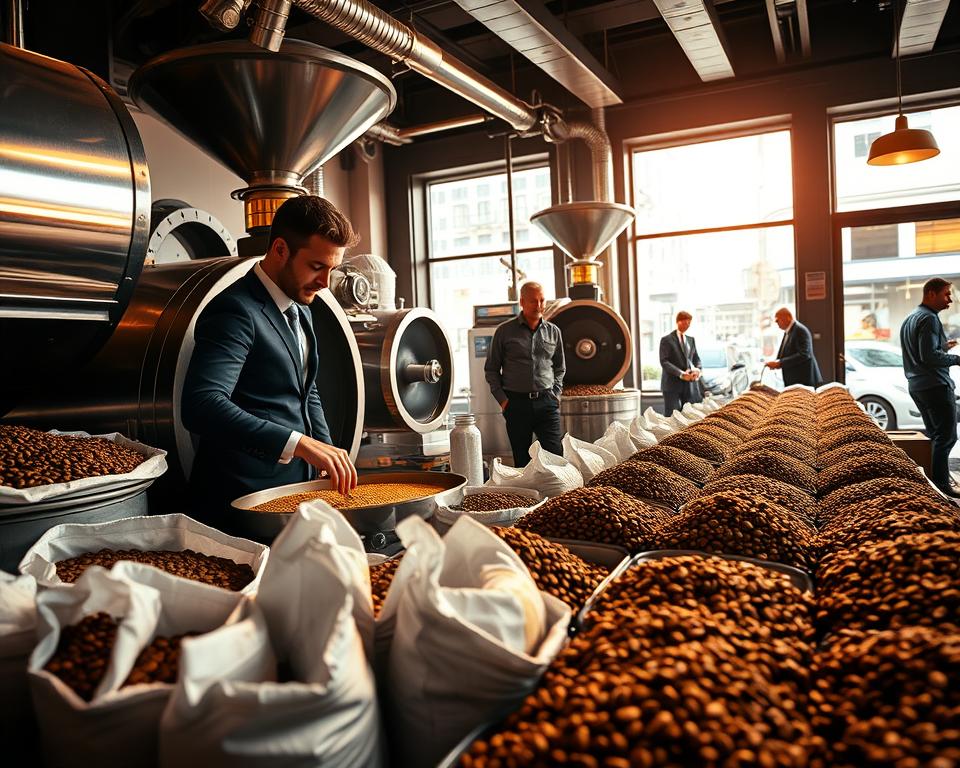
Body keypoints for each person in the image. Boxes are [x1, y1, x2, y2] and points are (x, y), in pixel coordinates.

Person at [182, 196, 360, 528]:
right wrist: (299, 443)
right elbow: (201, 405)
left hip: (297, 494)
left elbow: (307, 391)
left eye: (332, 270)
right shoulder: (235, 310)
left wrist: (327, 455)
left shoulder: (302, 309)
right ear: (280, 250)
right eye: (316, 266)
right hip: (243, 501)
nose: (325, 284)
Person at [484, 281, 565, 467]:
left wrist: (556, 393)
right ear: (522, 302)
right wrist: (503, 400)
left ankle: (556, 495)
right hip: (516, 405)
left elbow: (560, 367)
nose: (539, 306)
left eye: (542, 300)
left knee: (556, 457)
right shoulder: (504, 332)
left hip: (547, 402)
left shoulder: (554, 332)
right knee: (522, 461)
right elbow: (491, 369)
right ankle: (530, 496)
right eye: (533, 301)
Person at [899, 277, 960, 498]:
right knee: (946, 436)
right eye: (946, 294)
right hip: (934, 384)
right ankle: (942, 484)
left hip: (918, 385)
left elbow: (921, 351)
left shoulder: (911, 318)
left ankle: (937, 482)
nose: (950, 300)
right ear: (931, 294)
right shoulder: (929, 319)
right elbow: (929, 356)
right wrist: (956, 358)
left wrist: (943, 346)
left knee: (936, 435)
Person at [764, 307, 823, 387]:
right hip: (796, 381)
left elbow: (804, 354)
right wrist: (776, 363)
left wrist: (779, 363)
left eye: (778, 320)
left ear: (788, 317)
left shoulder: (800, 330)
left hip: (803, 380)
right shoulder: (789, 331)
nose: (777, 323)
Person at [659, 310, 703, 415]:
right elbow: (664, 361)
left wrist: (697, 370)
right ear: (678, 322)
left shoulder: (691, 340)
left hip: (688, 386)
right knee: (672, 416)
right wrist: (681, 374)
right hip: (671, 384)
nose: (687, 325)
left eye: (689, 323)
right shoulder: (666, 340)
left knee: (688, 415)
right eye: (685, 322)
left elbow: (696, 358)